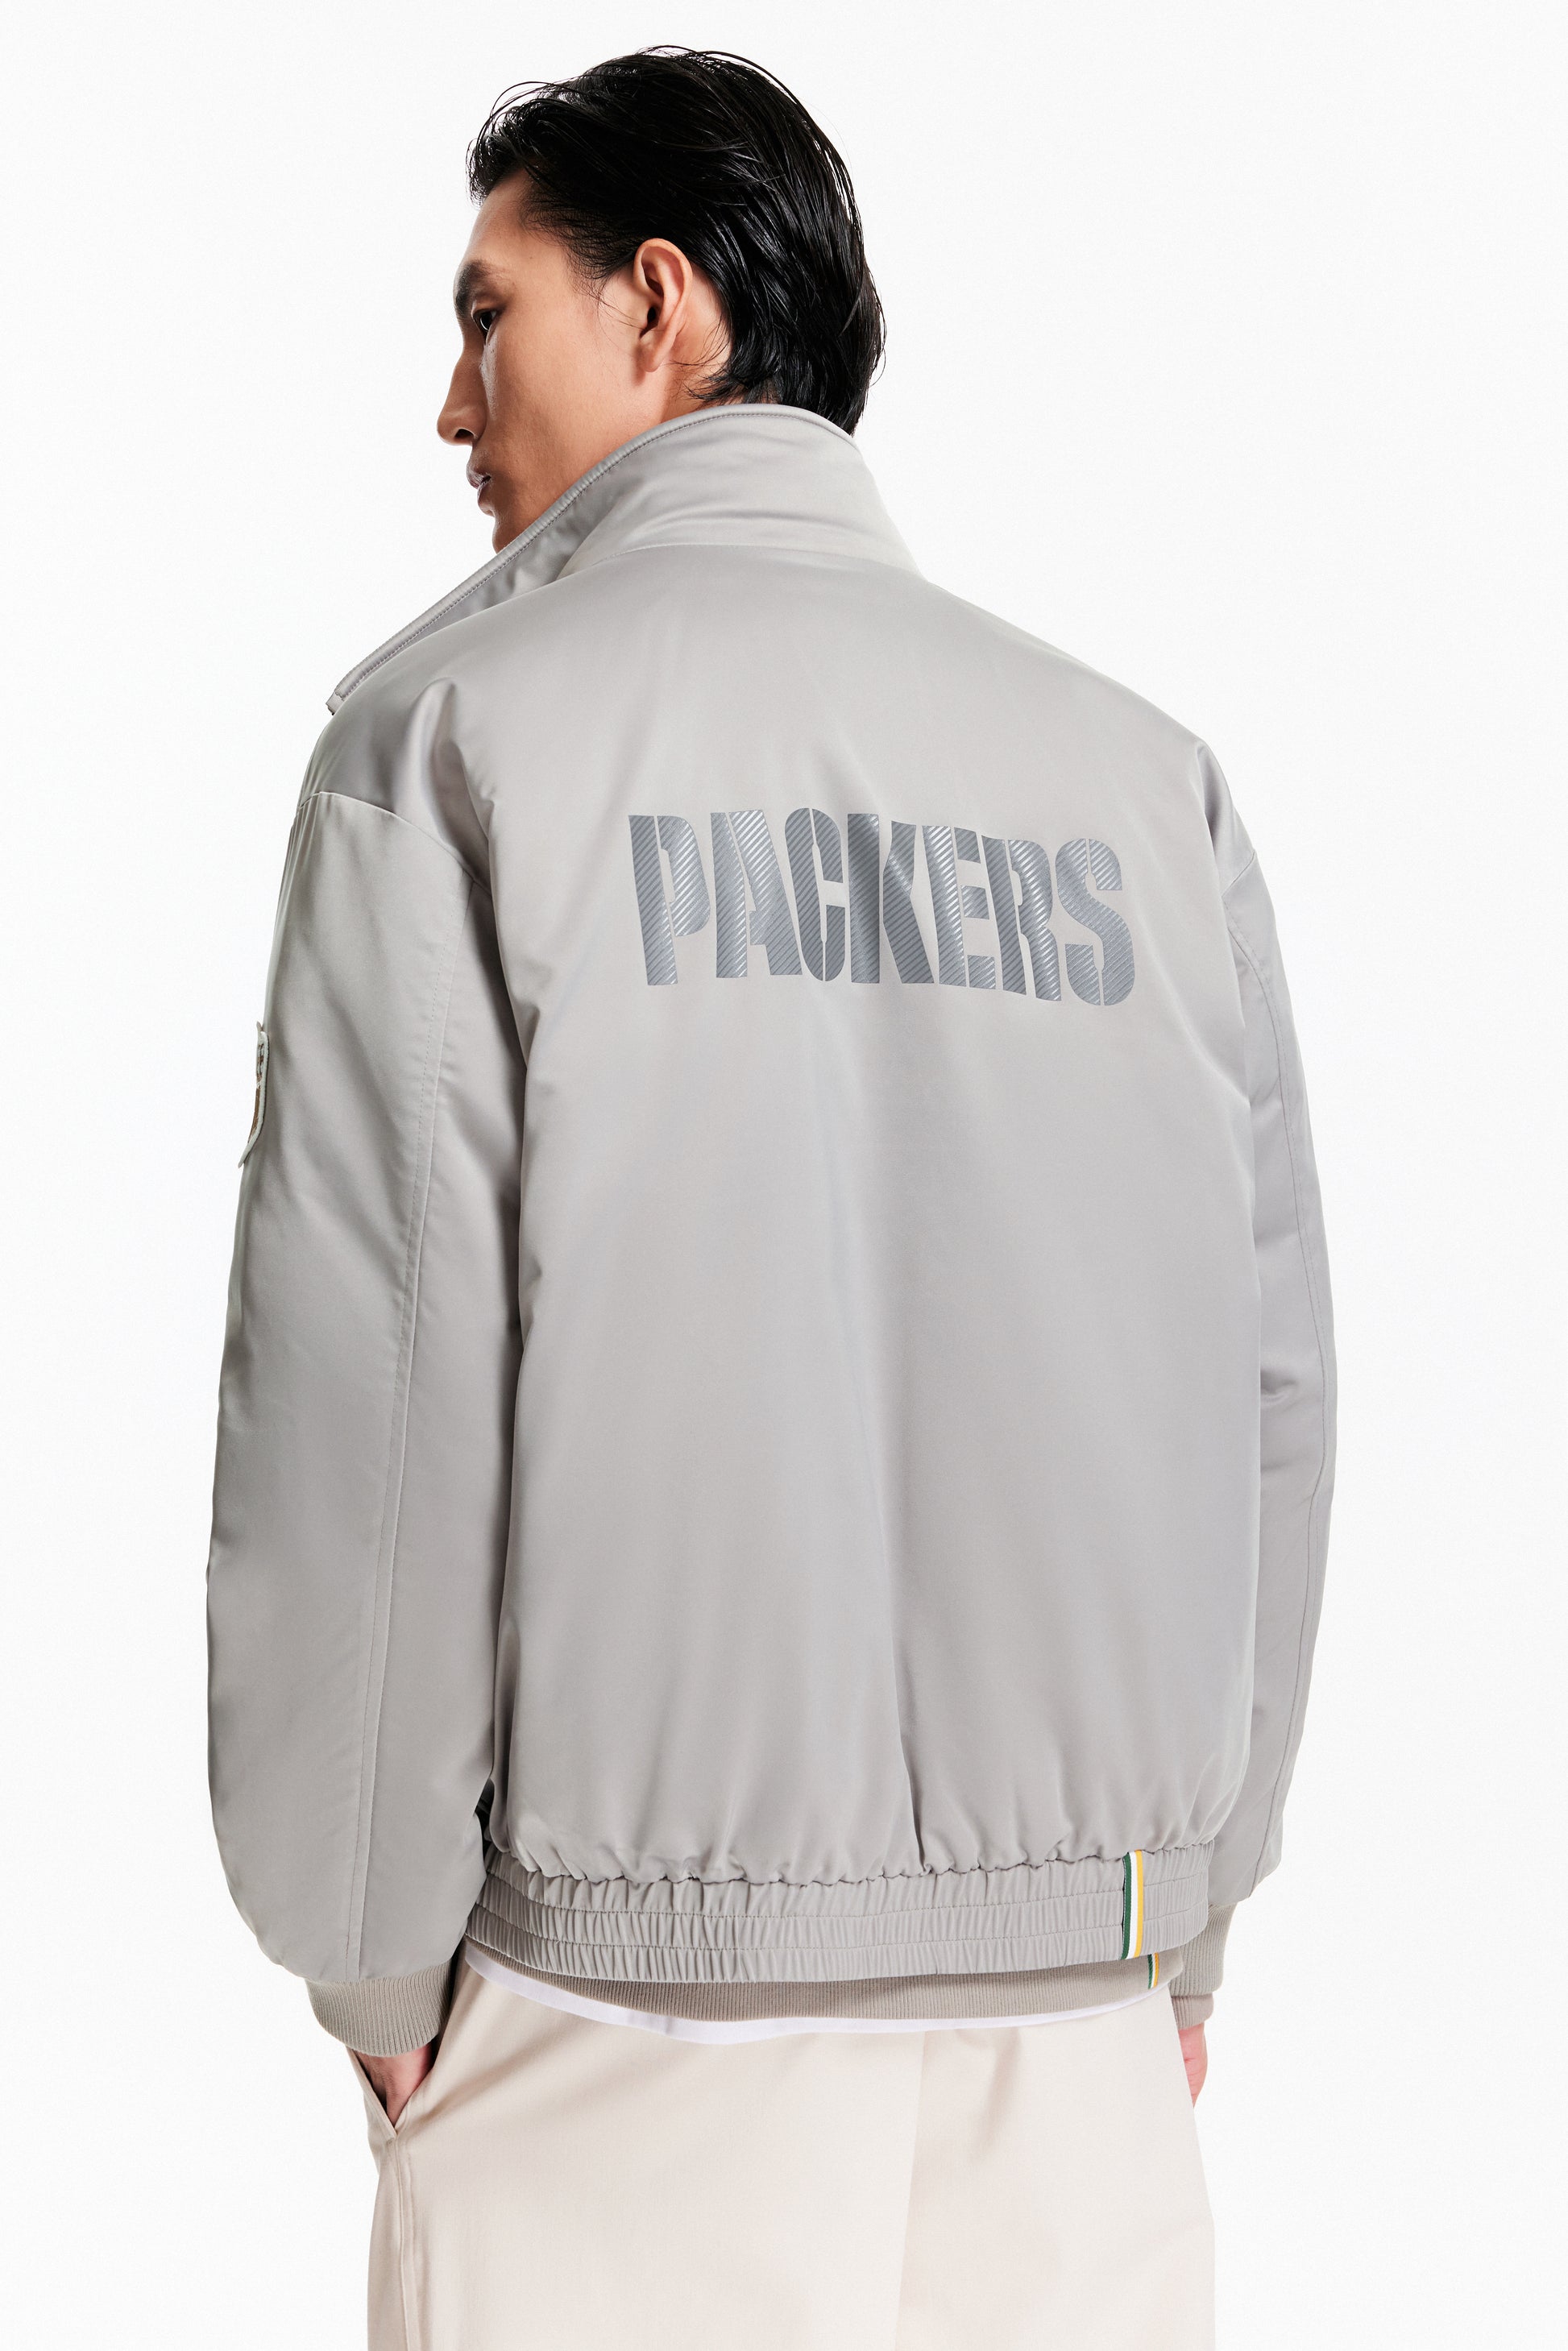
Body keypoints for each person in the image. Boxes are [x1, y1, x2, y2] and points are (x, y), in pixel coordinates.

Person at [207, 46, 1334, 2351]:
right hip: (1080, 2042)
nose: (451, 405)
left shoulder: (448, 750)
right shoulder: (1146, 786)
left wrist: (368, 1958)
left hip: (615, 2034)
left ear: (658, 306)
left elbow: (368, 1414)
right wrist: (1180, 1915)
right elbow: (1269, 1400)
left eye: (486, 314)